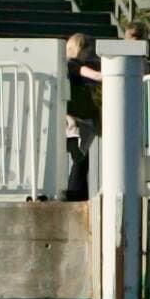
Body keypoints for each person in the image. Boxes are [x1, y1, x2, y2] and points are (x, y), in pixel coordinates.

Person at [59, 32, 101, 200]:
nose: (88, 56)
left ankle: (78, 191)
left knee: (81, 159)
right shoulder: (73, 65)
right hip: (78, 117)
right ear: (80, 49)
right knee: (81, 159)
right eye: (87, 52)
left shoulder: (64, 64)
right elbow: (94, 75)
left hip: (73, 115)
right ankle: (76, 192)